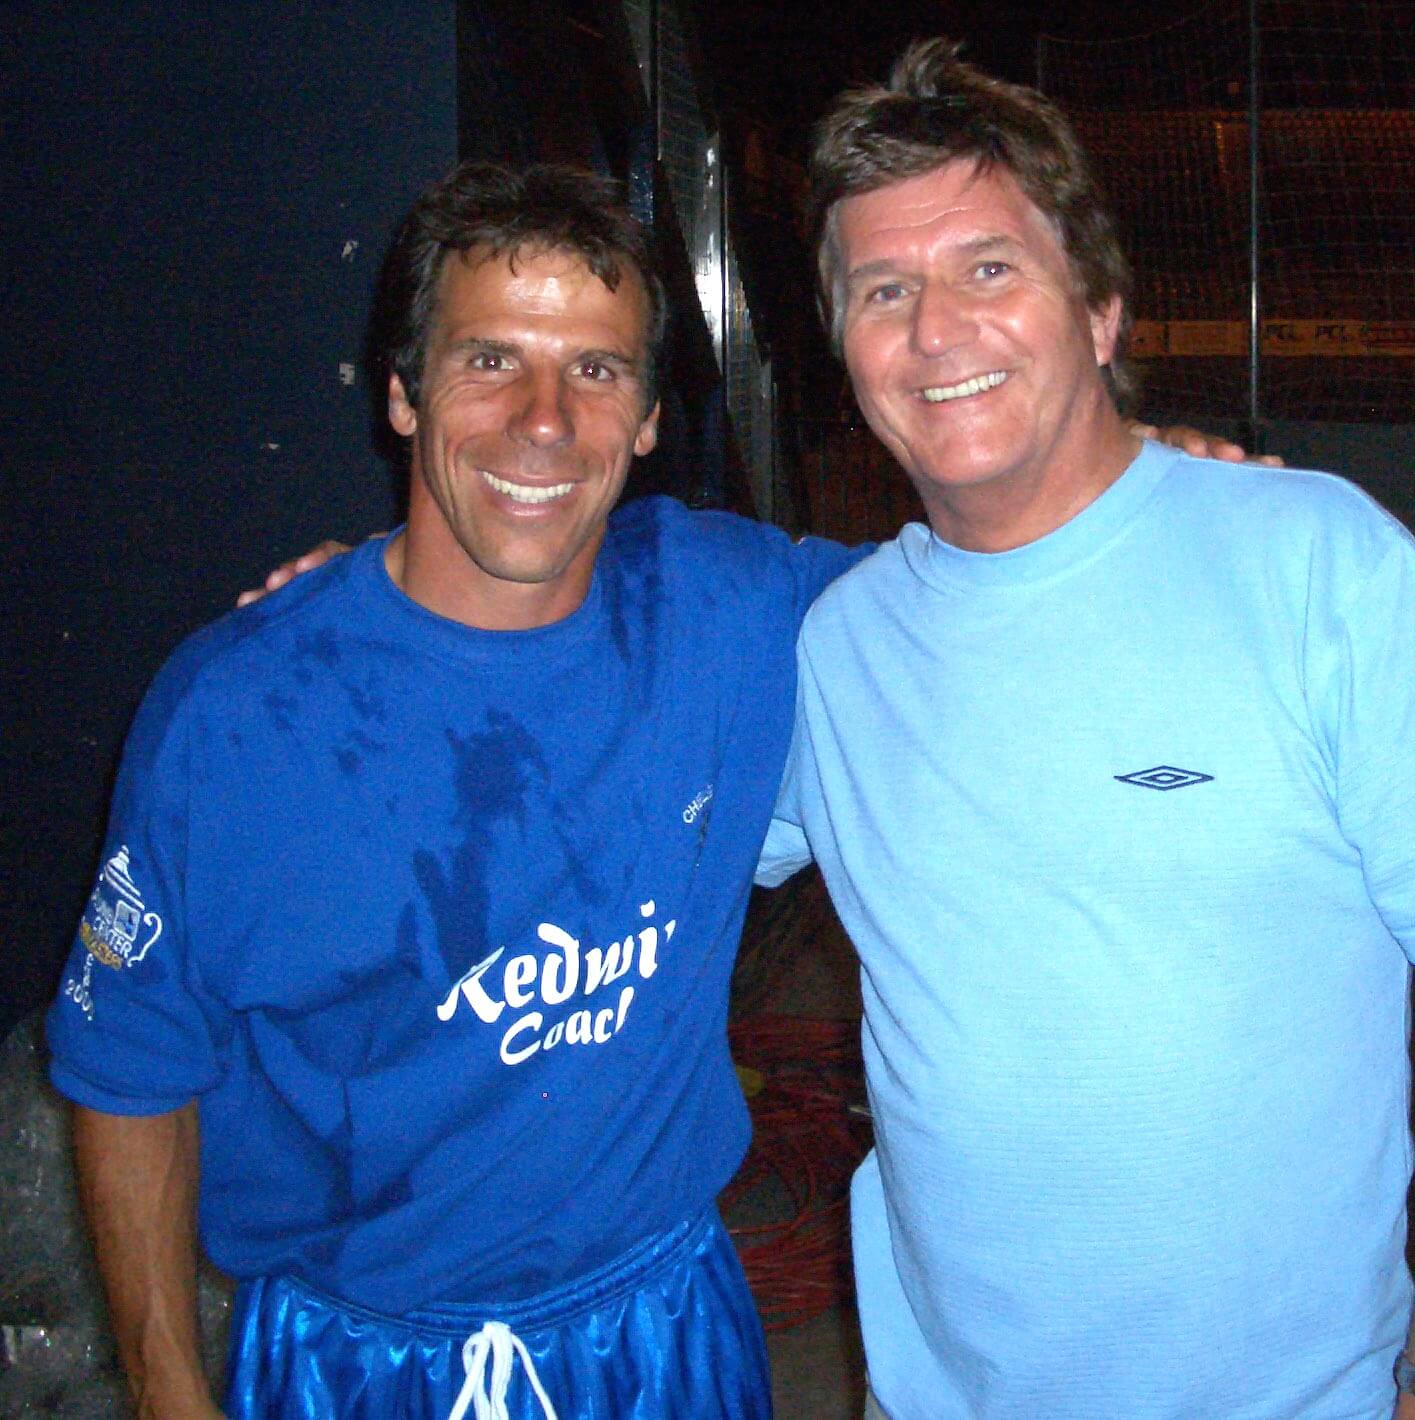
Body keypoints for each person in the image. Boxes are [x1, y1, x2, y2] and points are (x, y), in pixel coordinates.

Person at [756, 40, 1415, 1420]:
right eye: (883, 289)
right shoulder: (833, 648)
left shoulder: (1317, 560)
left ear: (1098, 310)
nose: (935, 330)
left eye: (989, 269)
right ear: (844, 349)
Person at [45, 162, 862, 1420]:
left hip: (662, 1325)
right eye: (489, 360)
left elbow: (987, 584)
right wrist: (166, 1389)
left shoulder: (731, 606)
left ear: (647, 418)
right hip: (355, 1358)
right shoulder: (239, 713)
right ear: (402, 393)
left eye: (594, 369)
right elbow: (128, 1067)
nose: (543, 419)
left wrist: (1158, 479)